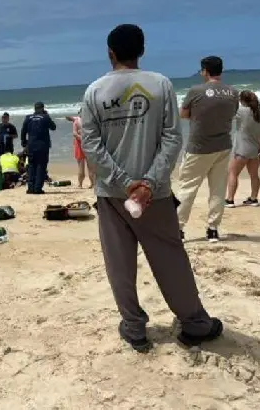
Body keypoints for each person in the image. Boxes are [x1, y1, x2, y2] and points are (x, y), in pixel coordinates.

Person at [81, 23, 221, 353]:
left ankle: (133, 327)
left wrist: (123, 182)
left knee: (119, 263)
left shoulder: (94, 91)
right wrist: (148, 183)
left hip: (113, 196)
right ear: (141, 51)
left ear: (110, 53)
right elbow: (173, 138)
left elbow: (91, 143)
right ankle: (195, 324)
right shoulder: (160, 85)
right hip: (153, 196)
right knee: (170, 257)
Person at [176, 56, 239, 243]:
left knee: (187, 188)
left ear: (205, 71)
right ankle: (213, 229)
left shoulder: (196, 91)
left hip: (199, 146)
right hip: (223, 145)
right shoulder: (232, 92)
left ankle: (178, 227)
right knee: (218, 189)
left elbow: (183, 114)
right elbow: (233, 113)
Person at [225, 91, 260, 208]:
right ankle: (254, 198)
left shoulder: (241, 112)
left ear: (242, 101)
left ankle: (230, 200)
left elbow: (226, 113)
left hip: (242, 150)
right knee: (254, 175)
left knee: (233, 173)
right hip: (256, 151)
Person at [21, 102, 56, 194]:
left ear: (35, 108)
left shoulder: (28, 117)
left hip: (31, 146)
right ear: (42, 108)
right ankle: (37, 188)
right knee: (41, 166)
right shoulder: (45, 117)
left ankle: (30, 188)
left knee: (31, 166)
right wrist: (47, 115)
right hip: (42, 146)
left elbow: (23, 131)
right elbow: (53, 127)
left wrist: (24, 142)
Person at [66, 113, 96, 188]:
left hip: (79, 145)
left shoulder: (76, 121)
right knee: (91, 167)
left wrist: (82, 139)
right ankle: (93, 183)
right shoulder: (90, 120)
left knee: (80, 166)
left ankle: (80, 184)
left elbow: (75, 134)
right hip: (89, 144)